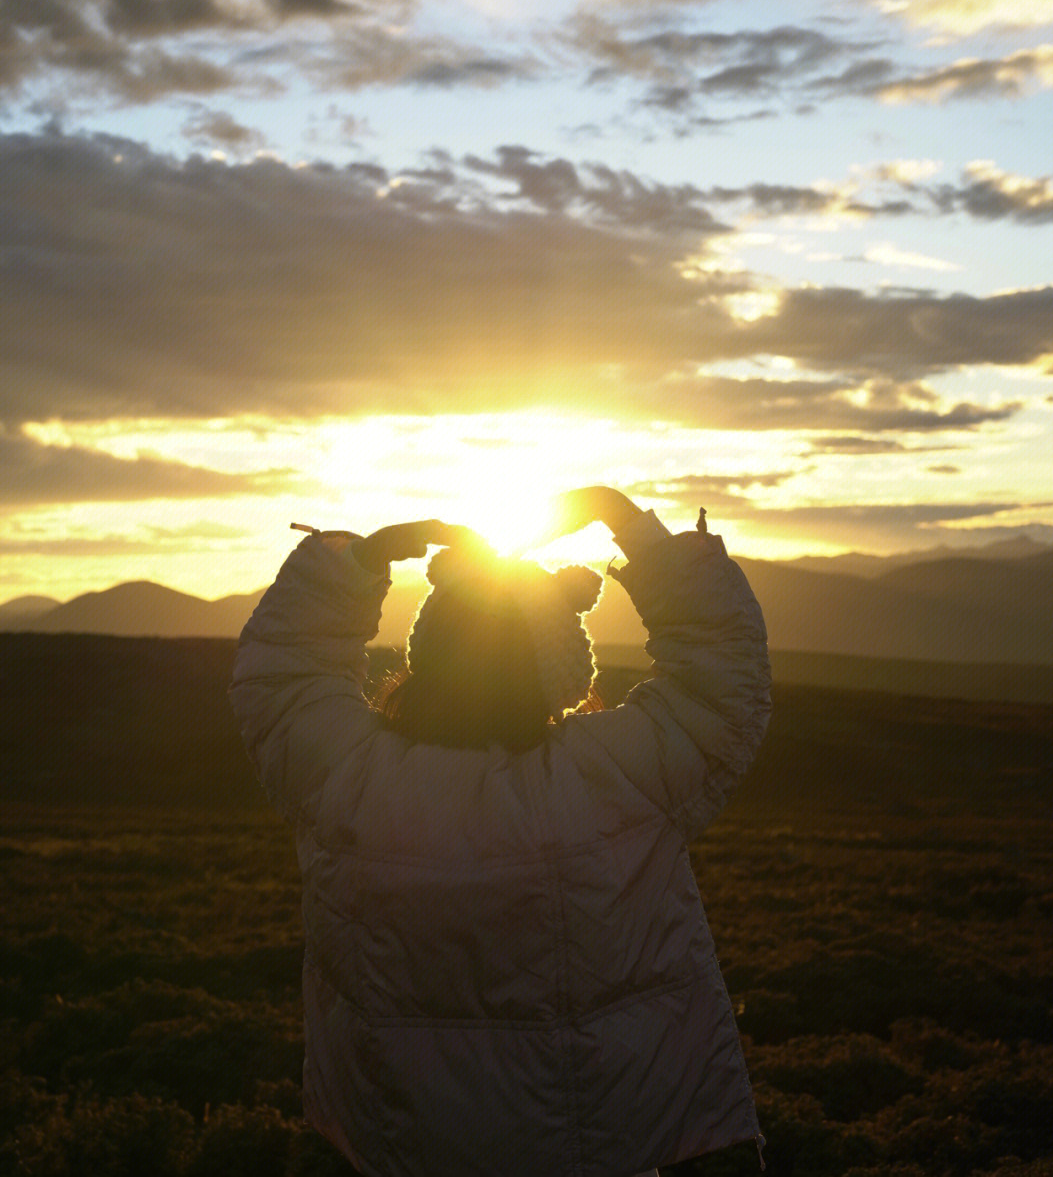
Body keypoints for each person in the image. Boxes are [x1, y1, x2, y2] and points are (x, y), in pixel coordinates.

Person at [230, 486, 772, 1177]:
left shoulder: (351, 780)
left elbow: (282, 679)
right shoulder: (612, 779)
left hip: (400, 1150)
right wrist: (623, 517)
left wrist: (356, 560)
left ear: (429, 656)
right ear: (561, 672)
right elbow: (721, 676)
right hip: (605, 1151)